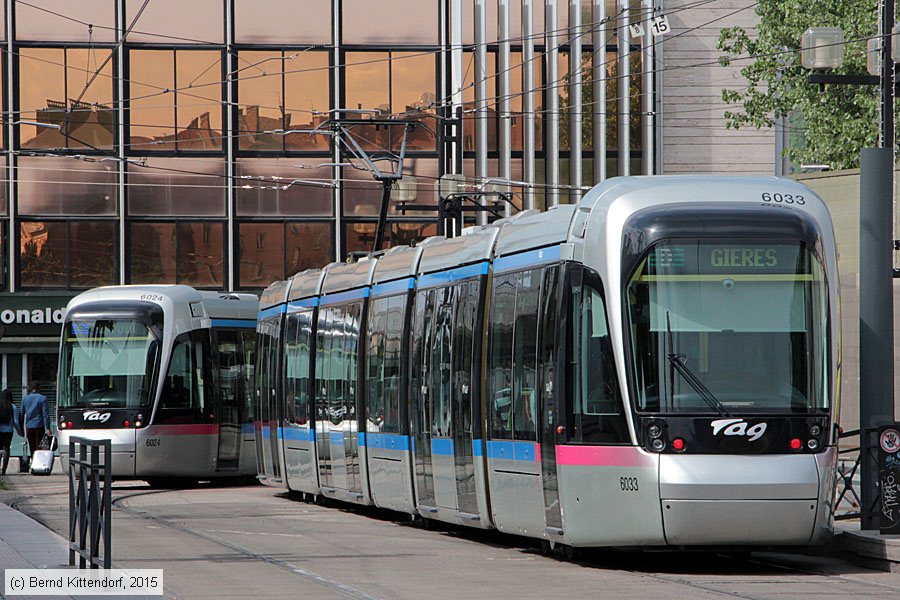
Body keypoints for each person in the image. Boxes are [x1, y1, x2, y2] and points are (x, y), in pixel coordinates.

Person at [21, 383, 50, 459]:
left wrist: (21, 428)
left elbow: (21, 414)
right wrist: (47, 428)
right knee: (38, 445)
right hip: (39, 425)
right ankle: (38, 461)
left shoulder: (25, 399)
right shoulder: (43, 398)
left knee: (32, 445)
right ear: (38, 388)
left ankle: (32, 459)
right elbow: (45, 415)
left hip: (29, 426)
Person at [0, 389, 23, 476]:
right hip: (9, 431)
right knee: (6, 449)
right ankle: (4, 470)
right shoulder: (12, 407)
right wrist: (19, 431)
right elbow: (16, 422)